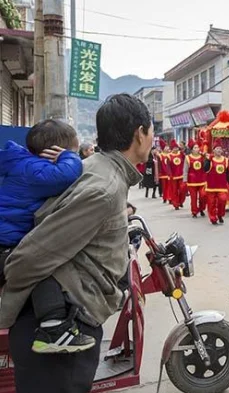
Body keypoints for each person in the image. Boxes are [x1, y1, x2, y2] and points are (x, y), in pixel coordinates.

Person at [0, 93, 152, 393]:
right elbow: (28, 257)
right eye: (151, 131)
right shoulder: (103, 188)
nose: (152, 139)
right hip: (58, 332)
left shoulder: (99, 169)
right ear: (139, 133)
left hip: (66, 321)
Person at [0, 119, 96, 354]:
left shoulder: (21, 162)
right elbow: (67, 175)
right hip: (6, 244)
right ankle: (52, 329)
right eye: (69, 151)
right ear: (52, 152)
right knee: (42, 267)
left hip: (6, 238)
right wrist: (68, 157)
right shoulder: (37, 171)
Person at [205, 140, 229, 225]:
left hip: (222, 186)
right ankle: (213, 218)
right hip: (211, 186)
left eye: (220, 149)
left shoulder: (225, 160)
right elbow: (205, 169)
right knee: (211, 203)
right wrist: (208, 160)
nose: (219, 150)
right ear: (213, 150)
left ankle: (220, 215)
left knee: (222, 200)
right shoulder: (210, 160)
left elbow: (227, 173)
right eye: (217, 149)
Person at [184, 139, 207, 218]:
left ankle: (201, 209)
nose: (197, 149)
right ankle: (194, 211)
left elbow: (207, 165)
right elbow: (185, 170)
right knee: (193, 198)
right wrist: (185, 180)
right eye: (195, 148)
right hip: (192, 181)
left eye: (197, 147)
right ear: (191, 149)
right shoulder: (188, 158)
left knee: (202, 196)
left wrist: (205, 156)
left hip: (202, 180)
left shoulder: (202, 157)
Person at [168, 139, 186, 210]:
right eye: (174, 148)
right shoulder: (169, 156)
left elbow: (185, 162)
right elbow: (168, 167)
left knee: (183, 189)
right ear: (172, 149)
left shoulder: (181, 154)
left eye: (176, 147)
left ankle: (181, 201)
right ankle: (176, 204)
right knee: (174, 191)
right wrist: (170, 175)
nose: (175, 149)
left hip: (181, 175)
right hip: (173, 177)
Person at [158, 140, 171, 204]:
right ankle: (165, 197)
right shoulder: (160, 155)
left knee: (169, 186)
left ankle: (169, 198)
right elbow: (159, 165)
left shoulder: (170, 155)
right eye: (166, 147)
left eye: (167, 147)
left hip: (169, 173)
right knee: (164, 187)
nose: (167, 148)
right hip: (163, 173)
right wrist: (159, 173)